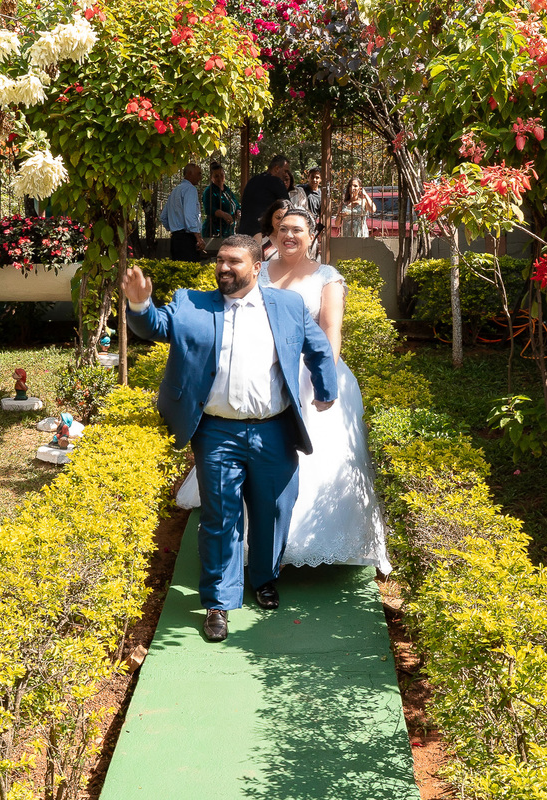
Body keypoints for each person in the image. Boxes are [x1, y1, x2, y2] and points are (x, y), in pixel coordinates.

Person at [123, 235, 338, 643]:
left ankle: (264, 578)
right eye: (220, 260)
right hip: (217, 431)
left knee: (274, 508)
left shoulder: (288, 306)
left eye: (233, 261)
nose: (223, 267)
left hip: (274, 429)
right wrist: (139, 304)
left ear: (256, 267)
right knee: (220, 516)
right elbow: (156, 326)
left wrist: (326, 389)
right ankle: (218, 601)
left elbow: (317, 347)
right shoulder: (192, 303)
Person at [177, 208, 391, 574]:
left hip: (307, 377)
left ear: (312, 235)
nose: (288, 235)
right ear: (273, 234)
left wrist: (322, 380)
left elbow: (330, 332)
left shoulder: (326, 277)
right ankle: (246, 543)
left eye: (297, 230)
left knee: (310, 458)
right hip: (262, 377)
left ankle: (306, 540)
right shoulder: (259, 270)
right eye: (282, 229)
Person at [237, 154, 290, 237]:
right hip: (263, 234)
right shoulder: (276, 182)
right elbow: (287, 206)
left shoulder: (252, 181)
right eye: (285, 171)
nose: (286, 175)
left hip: (244, 231)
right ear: (276, 168)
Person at [161, 163, 206, 261]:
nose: (200, 177)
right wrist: (198, 237)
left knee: (178, 269)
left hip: (175, 239)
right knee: (190, 269)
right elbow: (189, 215)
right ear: (189, 174)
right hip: (187, 239)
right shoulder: (190, 189)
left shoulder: (175, 191)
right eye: (198, 174)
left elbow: (163, 217)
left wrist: (174, 228)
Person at [202, 162, 241, 238]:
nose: (219, 178)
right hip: (214, 232)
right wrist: (223, 214)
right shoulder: (209, 191)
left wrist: (238, 211)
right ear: (211, 178)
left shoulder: (227, 190)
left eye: (222, 175)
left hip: (228, 232)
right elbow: (209, 209)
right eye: (216, 176)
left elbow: (236, 205)